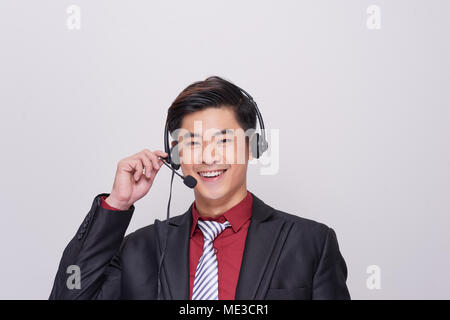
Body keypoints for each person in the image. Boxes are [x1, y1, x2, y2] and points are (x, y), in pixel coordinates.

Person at [49, 76, 350, 300]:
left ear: (253, 146)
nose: (208, 156)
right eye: (192, 142)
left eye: (223, 140)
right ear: (176, 155)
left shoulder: (311, 243)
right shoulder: (140, 250)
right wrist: (117, 204)